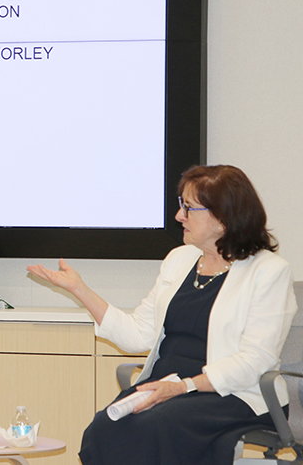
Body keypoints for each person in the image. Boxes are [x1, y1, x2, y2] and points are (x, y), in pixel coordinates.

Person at [27, 164, 297, 465]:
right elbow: (138, 333)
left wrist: (184, 387)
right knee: (105, 426)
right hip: (165, 383)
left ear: (223, 218)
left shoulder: (269, 271)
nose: (178, 216)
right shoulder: (178, 259)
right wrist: (80, 290)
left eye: (189, 208)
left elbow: (254, 361)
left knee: (156, 427)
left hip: (230, 392)